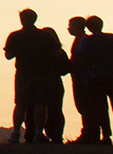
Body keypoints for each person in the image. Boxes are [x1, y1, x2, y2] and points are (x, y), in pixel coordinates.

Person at [4, 8, 66, 143]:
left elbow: (8, 55)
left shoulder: (15, 36)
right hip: (43, 73)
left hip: (23, 72)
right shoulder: (45, 36)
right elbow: (57, 53)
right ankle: (39, 133)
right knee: (40, 103)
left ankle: (16, 133)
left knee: (20, 103)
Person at [84, 16, 113, 145]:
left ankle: (106, 136)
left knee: (101, 107)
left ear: (88, 27)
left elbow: (81, 53)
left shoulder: (88, 41)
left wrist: (91, 62)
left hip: (96, 76)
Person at [67, 16, 102, 142]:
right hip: (81, 76)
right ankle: (90, 132)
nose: (68, 28)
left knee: (84, 104)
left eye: (70, 25)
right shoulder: (81, 39)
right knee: (85, 105)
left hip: (82, 77)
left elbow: (81, 58)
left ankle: (89, 133)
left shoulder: (82, 40)